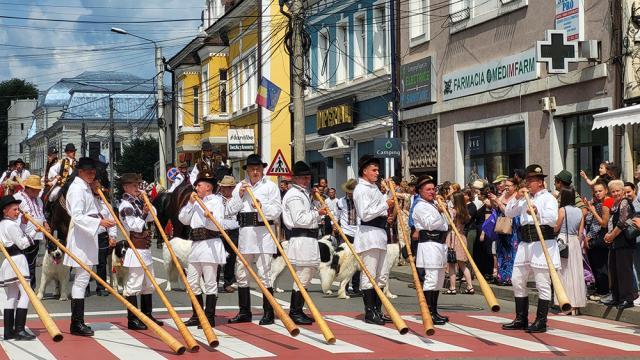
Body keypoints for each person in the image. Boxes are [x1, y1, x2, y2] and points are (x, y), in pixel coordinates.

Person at [227, 154, 282, 325]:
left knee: (264, 273)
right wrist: (240, 196)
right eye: (252, 169)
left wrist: (261, 207)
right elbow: (229, 210)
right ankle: (245, 312)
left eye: (258, 169)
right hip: (245, 235)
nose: (255, 172)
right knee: (241, 273)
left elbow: (277, 211)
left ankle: (268, 312)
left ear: (262, 169)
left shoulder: (271, 187)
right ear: (247, 171)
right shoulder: (240, 187)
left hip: (264, 233)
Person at [503, 164, 559, 333]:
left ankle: (541, 320)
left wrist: (537, 212)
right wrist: (516, 198)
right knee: (517, 279)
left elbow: (552, 220)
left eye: (531, 180)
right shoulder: (525, 197)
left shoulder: (548, 198)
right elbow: (508, 213)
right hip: (525, 243)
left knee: (542, 282)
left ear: (540, 182)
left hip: (542, 243)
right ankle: (521, 318)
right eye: (526, 180)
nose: (527, 183)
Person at [64, 157, 116, 336]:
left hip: (88, 236)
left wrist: (95, 194)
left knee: (83, 279)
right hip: (80, 238)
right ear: (79, 171)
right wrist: (99, 222)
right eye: (88, 172)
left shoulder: (86, 187)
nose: (91, 175)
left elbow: (96, 208)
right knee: (81, 279)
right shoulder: (77, 188)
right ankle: (76, 322)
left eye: (93, 172)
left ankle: (78, 321)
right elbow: (77, 216)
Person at [179, 170, 228, 327]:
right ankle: (197, 315)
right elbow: (183, 219)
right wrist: (190, 204)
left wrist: (209, 218)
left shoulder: (216, 202)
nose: (196, 188)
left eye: (199, 185)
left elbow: (217, 225)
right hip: (196, 245)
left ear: (208, 187)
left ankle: (209, 316)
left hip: (210, 245)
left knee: (210, 282)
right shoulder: (195, 202)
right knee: (192, 282)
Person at [282, 161, 326, 325]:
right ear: (295, 179)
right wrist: (317, 213)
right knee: (302, 276)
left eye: (308, 177)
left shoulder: (303, 194)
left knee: (306, 276)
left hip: (309, 238)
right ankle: (295, 311)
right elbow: (299, 219)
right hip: (301, 238)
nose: (307, 180)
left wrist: (316, 205)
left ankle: (298, 310)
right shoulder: (294, 195)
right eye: (303, 178)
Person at [353, 155, 395, 325]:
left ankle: (378, 309)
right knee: (369, 274)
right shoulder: (360, 189)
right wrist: (386, 205)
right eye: (374, 170)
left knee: (381, 275)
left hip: (380, 234)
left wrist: (388, 210)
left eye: (378, 170)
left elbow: (379, 210)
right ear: (365, 171)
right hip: (368, 234)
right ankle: (370, 312)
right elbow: (365, 214)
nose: (377, 173)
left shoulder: (374, 188)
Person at [118, 173, 162, 330]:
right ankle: (133, 319)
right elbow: (135, 226)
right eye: (135, 186)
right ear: (126, 187)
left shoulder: (137, 202)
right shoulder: (125, 205)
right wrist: (143, 213)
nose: (138, 188)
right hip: (135, 247)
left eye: (138, 185)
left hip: (145, 248)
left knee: (148, 284)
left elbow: (153, 216)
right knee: (134, 284)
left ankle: (147, 315)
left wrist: (147, 202)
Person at [412, 176, 449, 325]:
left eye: (433, 189)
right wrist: (440, 212)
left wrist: (444, 210)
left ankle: (434, 311)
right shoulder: (420, 206)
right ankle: (428, 312)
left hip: (439, 244)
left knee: (439, 280)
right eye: (428, 189)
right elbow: (430, 224)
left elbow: (446, 225)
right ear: (420, 191)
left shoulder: (433, 204)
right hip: (429, 244)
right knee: (431, 279)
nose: (432, 192)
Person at [0, 195, 36, 340]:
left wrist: (22, 224)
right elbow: (21, 244)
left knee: (13, 295)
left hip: (9, 261)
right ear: (5, 211)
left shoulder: (3, 224)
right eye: (14, 209)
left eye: (17, 209)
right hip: (18, 260)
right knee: (26, 293)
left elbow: (15, 237)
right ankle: (20, 329)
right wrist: (35, 231)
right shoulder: (10, 225)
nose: (17, 212)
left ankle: (9, 331)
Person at [602, 180, 638, 309]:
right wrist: (610, 236)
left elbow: (623, 222)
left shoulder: (624, 202)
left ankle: (627, 299)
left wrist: (611, 235)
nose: (616, 193)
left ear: (622, 191)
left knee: (624, 271)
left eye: (618, 190)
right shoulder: (615, 204)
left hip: (624, 242)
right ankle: (617, 297)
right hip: (616, 243)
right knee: (614, 269)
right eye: (613, 191)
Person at [555, 187, 586, 314]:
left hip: (563, 240)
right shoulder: (580, 211)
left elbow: (556, 228)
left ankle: (566, 305)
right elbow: (580, 232)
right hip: (575, 242)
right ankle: (576, 306)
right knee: (576, 273)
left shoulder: (562, 210)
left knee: (564, 273)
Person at [14, 175, 49, 289]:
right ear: (28, 188)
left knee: (32, 263)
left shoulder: (39, 199)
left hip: (37, 235)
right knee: (22, 263)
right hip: (23, 235)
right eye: (36, 190)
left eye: (39, 189)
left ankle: (31, 287)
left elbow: (41, 214)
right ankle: (21, 287)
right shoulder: (17, 197)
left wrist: (45, 223)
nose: (39, 192)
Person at [583, 181, 613, 301]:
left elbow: (603, 223)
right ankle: (600, 290)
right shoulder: (597, 203)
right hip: (596, 236)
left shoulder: (606, 202)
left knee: (601, 265)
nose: (597, 193)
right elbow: (590, 220)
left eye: (600, 191)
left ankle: (603, 291)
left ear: (606, 190)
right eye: (595, 191)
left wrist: (593, 210)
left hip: (602, 237)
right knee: (595, 265)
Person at [488, 178, 520, 285]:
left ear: (515, 186)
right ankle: (501, 276)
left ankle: (510, 277)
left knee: (511, 252)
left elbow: (508, 212)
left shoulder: (516, 196)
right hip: (501, 226)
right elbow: (496, 208)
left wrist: (498, 201)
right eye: (505, 185)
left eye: (509, 186)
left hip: (511, 226)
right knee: (501, 252)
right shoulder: (504, 195)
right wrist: (494, 200)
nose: (506, 188)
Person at [443, 192, 474, 295]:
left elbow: (448, 222)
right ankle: (470, 286)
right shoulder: (465, 211)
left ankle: (452, 287)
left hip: (453, 237)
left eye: (452, 199)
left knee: (451, 264)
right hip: (462, 236)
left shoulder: (454, 211)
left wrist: (446, 210)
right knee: (462, 264)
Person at [336, 179, 362, 296]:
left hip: (358, 233)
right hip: (345, 232)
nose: (350, 194)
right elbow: (336, 215)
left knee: (356, 261)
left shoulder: (360, 201)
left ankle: (356, 287)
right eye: (349, 191)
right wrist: (336, 227)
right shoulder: (341, 202)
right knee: (345, 261)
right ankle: (344, 287)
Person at [92, 176, 117, 297]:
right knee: (87, 263)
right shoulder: (87, 201)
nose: (98, 188)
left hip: (102, 235)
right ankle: (85, 287)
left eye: (99, 186)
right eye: (95, 186)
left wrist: (112, 236)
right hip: (88, 236)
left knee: (102, 262)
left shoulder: (106, 204)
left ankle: (101, 286)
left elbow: (112, 222)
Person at [218, 175, 241, 293]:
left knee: (231, 258)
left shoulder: (237, 200)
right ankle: (213, 282)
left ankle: (228, 282)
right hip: (219, 230)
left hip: (233, 231)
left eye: (228, 187)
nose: (224, 189)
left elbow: (236, 214)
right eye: (223, 187)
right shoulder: (216, 199)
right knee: (216, 258)